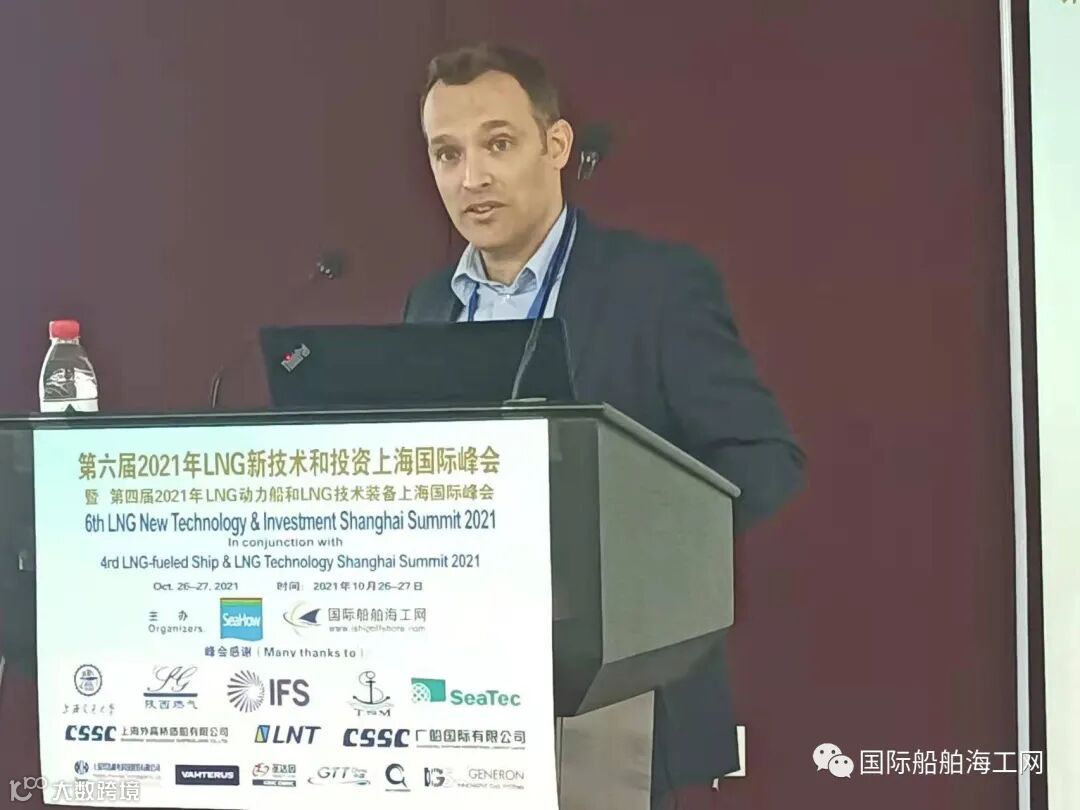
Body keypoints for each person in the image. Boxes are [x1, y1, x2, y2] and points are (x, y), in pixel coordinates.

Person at [403, 42, 806, 808]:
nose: (471, 177)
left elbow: (764, 459)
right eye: (447, 154)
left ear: (555, 145)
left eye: (498, 143)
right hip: (460, 692)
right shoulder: (430, 305)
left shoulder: (656, 287)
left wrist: (628, 543)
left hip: (619, 688)